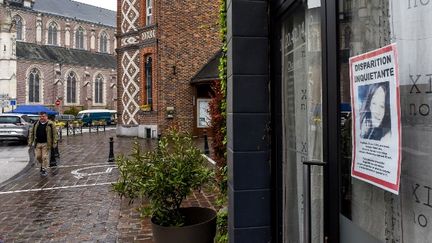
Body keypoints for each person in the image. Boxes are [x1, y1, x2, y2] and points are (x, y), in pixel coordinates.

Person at [28, 112, 58, 176]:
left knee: (44, 157)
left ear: (46, 117)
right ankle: (42, 165)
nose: (42, 117)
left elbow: (55, 134)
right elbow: (31, 133)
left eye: (43, 116)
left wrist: (54, 142)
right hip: (38, 143)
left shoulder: (50, 124)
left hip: (46, 143)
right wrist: (30, 142)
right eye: (41, 116)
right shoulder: (36, 123)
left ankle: (44, 169)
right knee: (38, 157)